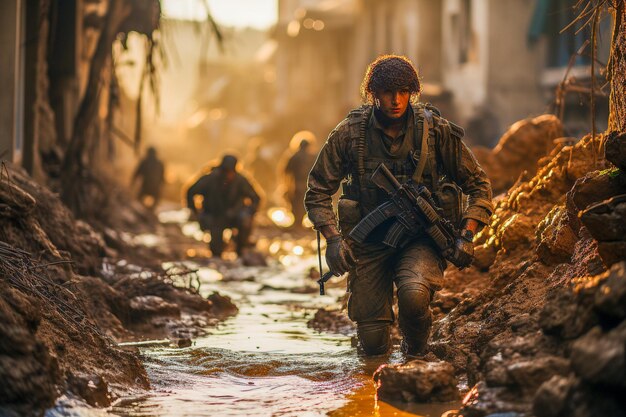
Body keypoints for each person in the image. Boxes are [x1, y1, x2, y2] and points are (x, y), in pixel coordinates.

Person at [304, 55, 493, 356]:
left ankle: (415, 355)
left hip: (421, 239)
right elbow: (317, 190)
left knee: (414, 296)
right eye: (388, 92)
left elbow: (478, 186)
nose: (396, 100)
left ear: (412, 93)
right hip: (368, 242)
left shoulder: (435, 132)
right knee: (373, 340)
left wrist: (467, 235)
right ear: (373, 94)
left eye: (403, 91)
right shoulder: (350, 133)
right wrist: (334, 240)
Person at [186, 154, 261, 258]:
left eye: (229, 171)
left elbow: (256, 198)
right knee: (216, 252)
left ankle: (240, 247)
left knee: (244, 220)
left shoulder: (240, 181)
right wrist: (196, 213)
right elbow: (190, 191)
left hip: (235, 217)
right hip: (215, 217)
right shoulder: (210, 179)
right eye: (225, 171)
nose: (227, 175)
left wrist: (249, 213)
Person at [282, 135, 317, 227]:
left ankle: (297, 222)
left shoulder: (293, 156)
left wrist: (286, 185)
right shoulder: (312, 157)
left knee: (295, 203)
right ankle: (298, 222)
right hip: (307, 185)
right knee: (303, 203)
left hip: (296, 185)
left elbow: (286, 171)